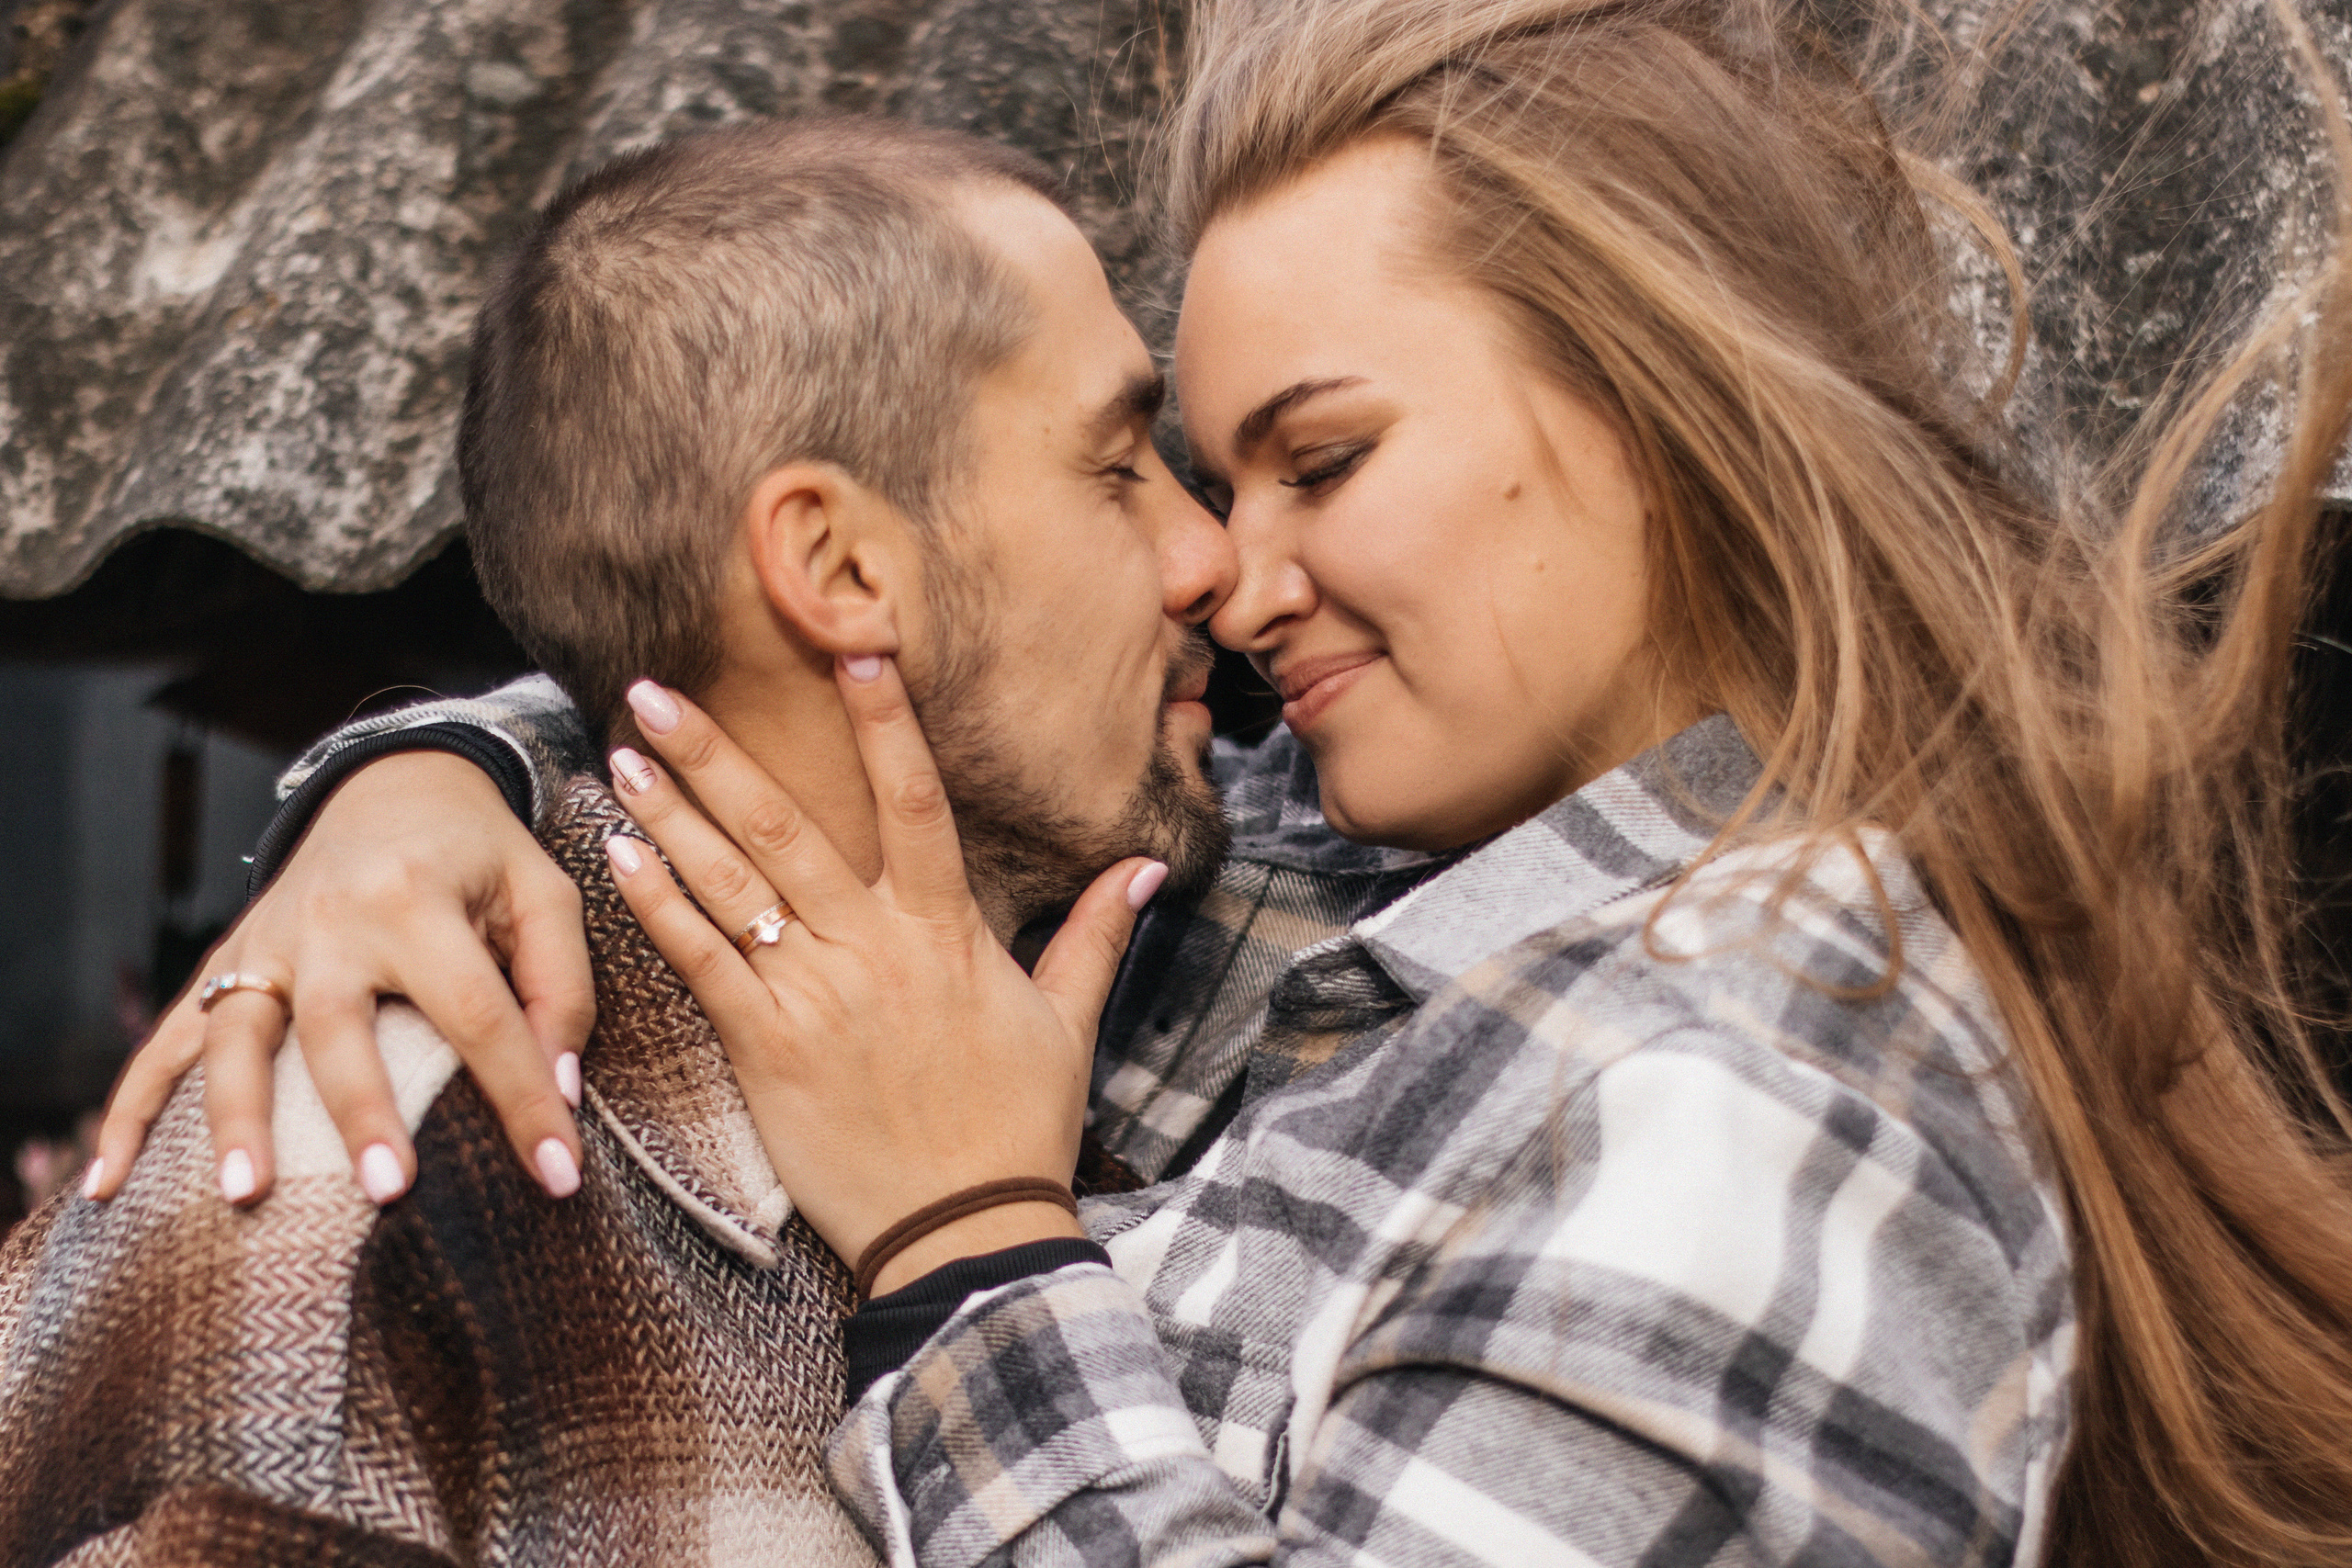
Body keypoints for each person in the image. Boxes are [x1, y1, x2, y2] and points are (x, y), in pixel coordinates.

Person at [92, 0, 2352, 1561]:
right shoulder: (1330, 896)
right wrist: (414, 793)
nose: (1222, 572)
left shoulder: (1751, 1095)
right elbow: (794, 709)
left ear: (1667, 415)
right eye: (1165, 470)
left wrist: (967, 1250)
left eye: (1321, 458)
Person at [0, 115, 1238, 1562]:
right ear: (839, 567)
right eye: (1115, 467)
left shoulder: (1230, 958)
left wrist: (426, 759)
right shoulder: (365, 1215)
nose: (1213, 557)